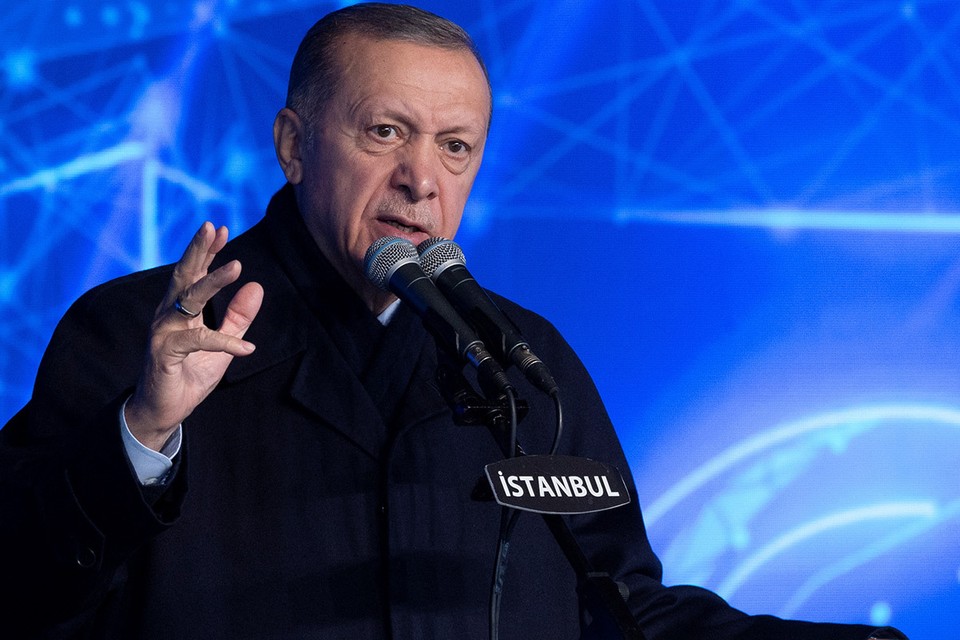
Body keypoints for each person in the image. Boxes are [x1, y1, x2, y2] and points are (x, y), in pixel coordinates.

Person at [0, 4, 907, 639]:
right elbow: (18, 593)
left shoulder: (529, 363)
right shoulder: (139, 333)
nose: (422, 179)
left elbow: (626, 608)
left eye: (455, 146)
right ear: (292, 144)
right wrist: (142, 434)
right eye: (385, 132)